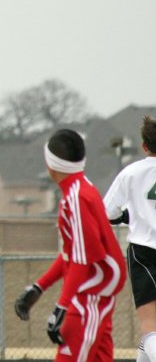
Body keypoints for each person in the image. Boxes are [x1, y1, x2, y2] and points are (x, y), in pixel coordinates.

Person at [13, 129, 126, 361]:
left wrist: (61, 307)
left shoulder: (76, 198)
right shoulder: (81, 188)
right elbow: (72, 254)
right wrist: (39, 287)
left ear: (51, 165)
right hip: (94, 296)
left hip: (89, 299)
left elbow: (83, 260)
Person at [102, 115, 156, 362]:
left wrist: (127, 215)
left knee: (150, 328)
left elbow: (107, 213)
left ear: (144, 146)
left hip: (144, 252)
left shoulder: (132, 172)